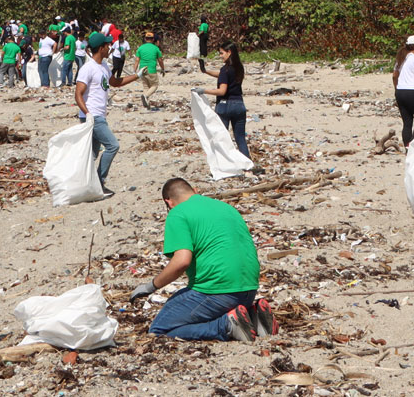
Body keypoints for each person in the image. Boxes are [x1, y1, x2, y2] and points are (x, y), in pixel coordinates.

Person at [129, 178, 276, 342]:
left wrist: (151, 286)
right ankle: (253, 318)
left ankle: (226, 326)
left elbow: (182, 261)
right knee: (188, 306)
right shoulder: (226, 208)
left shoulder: (178, 213)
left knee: (160, 329)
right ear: (195, 191)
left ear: (168, 202)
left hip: (217, 290)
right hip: (249, 288)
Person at [74, 32, 142, 196]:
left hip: (98, 115)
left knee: (92, 153)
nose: (109, 47)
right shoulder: (88, 68)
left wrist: (137, 76)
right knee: (113, 146)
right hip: (93, 116)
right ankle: (99, 182)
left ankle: (82, 184)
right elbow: (78, 94)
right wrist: (87, 113)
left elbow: (115, 83)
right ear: (101, 48)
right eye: (107, 45)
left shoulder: (103, 66)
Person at [193, 41, 251, 157]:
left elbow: (222, 91)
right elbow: (222, 75)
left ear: (229, 52)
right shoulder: (239, 68)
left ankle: (224, 166)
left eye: (221, 53)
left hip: (225, 106)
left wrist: (203, 91)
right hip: (239, 106)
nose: (220, 56)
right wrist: (206, 71)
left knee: (221, 138)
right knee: (240, 139)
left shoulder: (226, 69)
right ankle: (248, 168)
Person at [135, 32, 165, 108]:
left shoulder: (140, 48)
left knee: (146, 86)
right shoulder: (156, 48)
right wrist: (163, 69)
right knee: (155, 85)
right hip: (151, 69)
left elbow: (137, 60)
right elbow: (160, 60)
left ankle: (146, 103)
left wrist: (134, 70)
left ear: (145, 39)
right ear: (153, 39)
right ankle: (146, 96)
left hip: (142, 70)